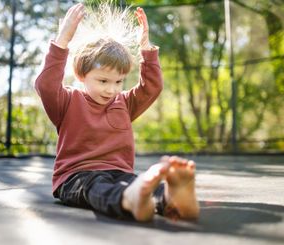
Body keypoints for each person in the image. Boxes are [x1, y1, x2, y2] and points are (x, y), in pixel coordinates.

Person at [35, 3, 199, 222]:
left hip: (120, 174)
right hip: (76, 176)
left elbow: (152, 87)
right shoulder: (67, 101)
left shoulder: (124, 103)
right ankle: (127, 200)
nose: (111, 89)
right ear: (81, 74)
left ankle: (171, 198)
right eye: (103, 81)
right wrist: (63, 39)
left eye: (118, 81)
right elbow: (46, 84)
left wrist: (146, 48)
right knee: (96, 187)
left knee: (137, 184)